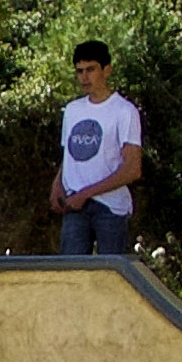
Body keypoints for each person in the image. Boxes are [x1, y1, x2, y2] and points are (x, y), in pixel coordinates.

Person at [50, 42, 143, 256]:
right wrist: (57, 185)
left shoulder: (124, 111)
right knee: (72, 274)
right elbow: (70, 156)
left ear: (106, 70)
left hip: (109, 207)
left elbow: (133, 168)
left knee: (110, 276)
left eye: (91, 70)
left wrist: (88, 193)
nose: (85, 77)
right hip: (74, 206)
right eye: (80, 71)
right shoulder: (73, 110)